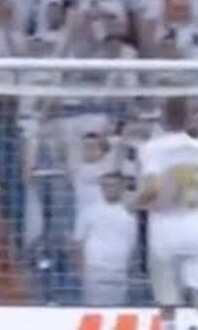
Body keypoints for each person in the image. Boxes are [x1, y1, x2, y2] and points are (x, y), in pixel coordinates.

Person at [131, 98, 198, 330]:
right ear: (189, 118)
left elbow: (153, 188)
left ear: (162, 118)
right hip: (195, 225)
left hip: (165, 228)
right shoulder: (195, 148)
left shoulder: (154, 148)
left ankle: (169, 326)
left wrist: (133, 202)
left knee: (166, 291)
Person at [72, 172, 137, 306]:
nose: (108, 189)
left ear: (122, 187)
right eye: (105, 185)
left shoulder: (130, 213)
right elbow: (77, 242)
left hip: (120, 272)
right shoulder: (89, 211)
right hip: (95, 271)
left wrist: (130, 271)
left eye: (113, 185)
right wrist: (80, 272)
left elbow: (132, 244)